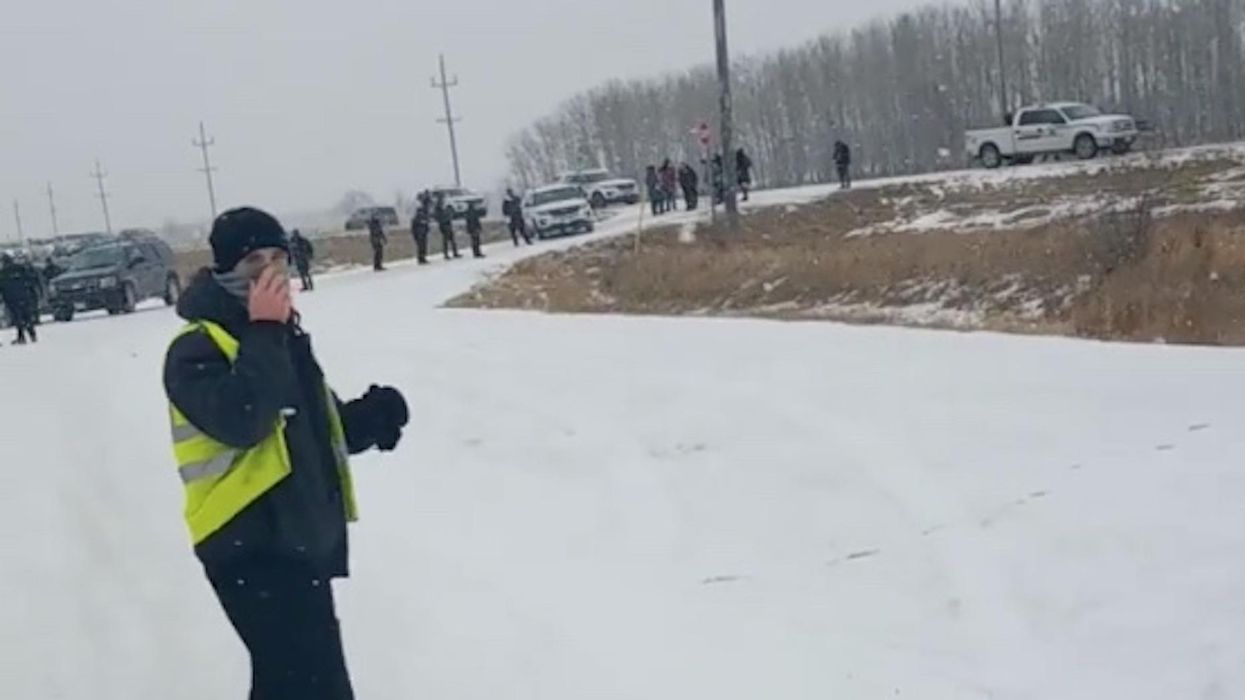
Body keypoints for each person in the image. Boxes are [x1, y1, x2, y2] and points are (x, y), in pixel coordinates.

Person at [162, 207, 409, 700]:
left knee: (292, 684)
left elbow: (310, 431)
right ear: (227, 268)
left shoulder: (277, 338)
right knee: (314, 686)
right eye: (254, 259)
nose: (270, 269)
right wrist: (266, 330)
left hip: (294, 540)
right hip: (245, 545)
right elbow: (247, 420)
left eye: (278, 256)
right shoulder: (197, 348)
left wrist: (369, 419)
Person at [0, 253, 41, 344]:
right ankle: (32, 334)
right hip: (24, 296)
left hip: (11, 299)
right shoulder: (20, 268)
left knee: (17, 318)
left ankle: (21, 337)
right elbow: (30, 280)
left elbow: (1, 287)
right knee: (27, 316)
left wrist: (2, 298)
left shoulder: (2, 272)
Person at [435, 196, 460, 260]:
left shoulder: (442, 210)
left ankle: (453, 253)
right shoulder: (439, 210)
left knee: (451, 241)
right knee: (447, 241)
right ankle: (448, 254)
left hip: (446, 226)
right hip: (445, 226)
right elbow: (441, 218)